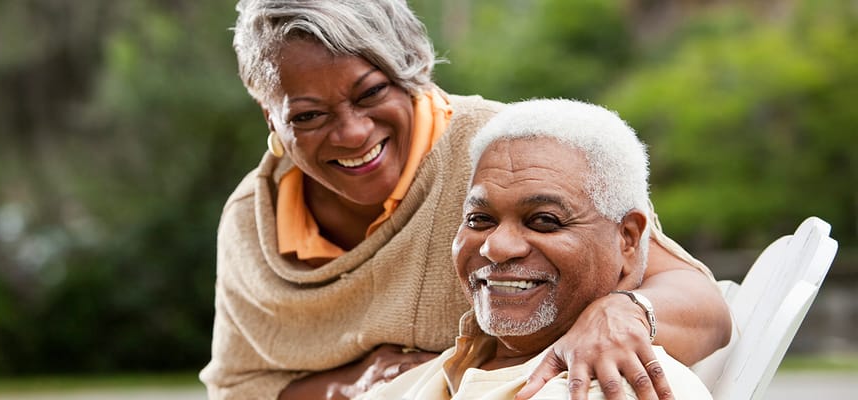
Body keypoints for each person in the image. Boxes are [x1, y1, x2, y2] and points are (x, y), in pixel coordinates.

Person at [200, 1, 731, 399]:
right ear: (271, 118)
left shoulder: (506, 155)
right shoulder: (253, 221)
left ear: (414, 68)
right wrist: (354, 384)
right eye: (307, 116)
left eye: (371, 93)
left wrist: (623, 312)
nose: (352, 133)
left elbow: (701, 303)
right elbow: (239, 387)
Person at [358, 99, 712, 400]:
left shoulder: (617, 383)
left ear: (628, 239)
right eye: (480, 219)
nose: (497, 247)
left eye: (544, 221)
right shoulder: (423, 378)